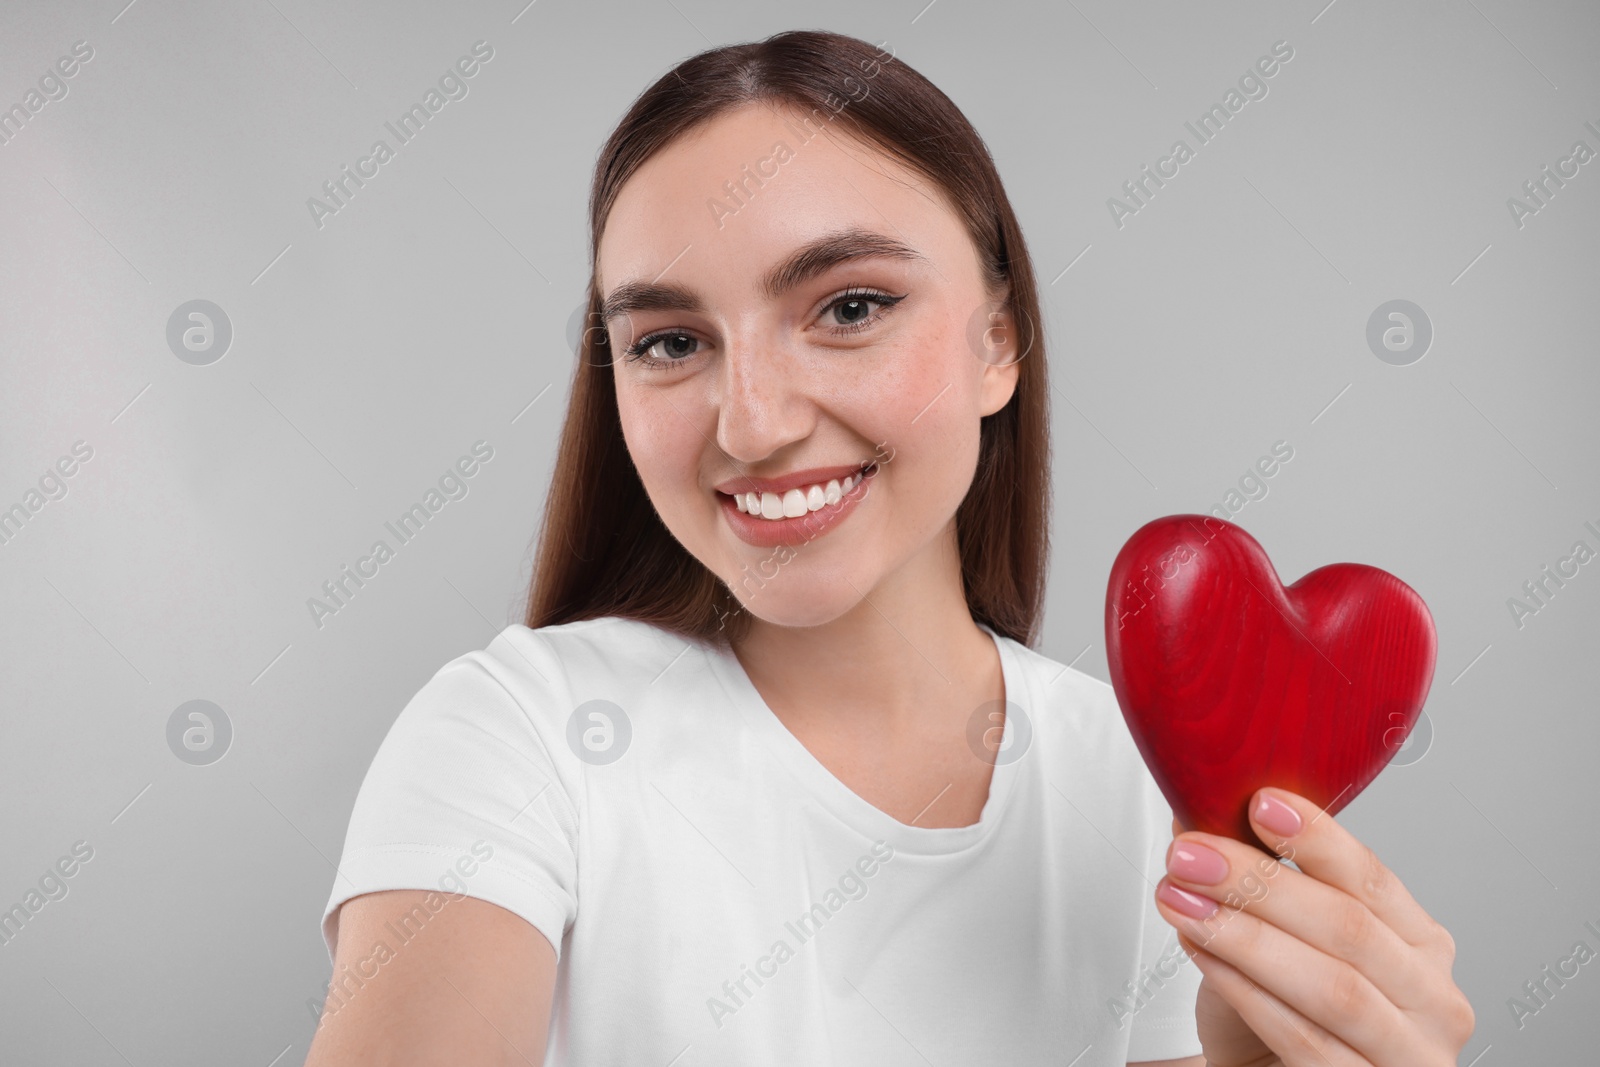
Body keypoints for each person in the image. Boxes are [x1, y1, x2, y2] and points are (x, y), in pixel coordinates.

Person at [304, 29, 1473, 1066]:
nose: (752, 421)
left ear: (998, 342)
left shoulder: (1147, 786)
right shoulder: (515, 739)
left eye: (849, 307)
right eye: (668, 341)